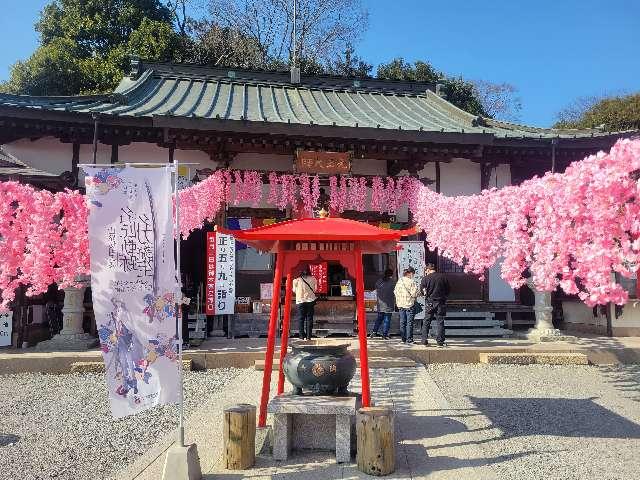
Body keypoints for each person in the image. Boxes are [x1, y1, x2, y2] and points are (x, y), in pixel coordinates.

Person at [420, 263, 450, 347]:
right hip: (441, 302)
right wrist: (444, 296)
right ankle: (440, 341)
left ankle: (424, 340)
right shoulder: (443, 277)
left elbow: (422, 291)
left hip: (430, 302)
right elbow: (448, 289)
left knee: (426, 321)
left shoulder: (425, 278)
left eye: (426, 271)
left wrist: (426, 295)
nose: (426, 272)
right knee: (440, 321)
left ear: (428, 270)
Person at [394, 267, 419, 344]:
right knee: (409, 323)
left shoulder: (399, 281)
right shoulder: (411, 282)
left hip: (401, 305)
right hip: (409, 305)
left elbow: (395, 292)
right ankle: (409, 339)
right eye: (413, 274)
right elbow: (414, 294)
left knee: (402, 322)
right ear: (410, 273)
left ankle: (403, 339)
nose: (413, 275)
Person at [369, 268, 395, 339]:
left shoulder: (379, 281)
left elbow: (375, 287)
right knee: (387, 319)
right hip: (389, 304)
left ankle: (374, 332)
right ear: (391, 275)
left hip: (380, 304)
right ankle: (384, 334)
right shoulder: (392, 282)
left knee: (379, 319)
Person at [292, 267, 317, 340]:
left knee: (301, 319)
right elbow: (315, 289)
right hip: (310, 300)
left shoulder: (296, 280)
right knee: (309, 319)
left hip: (300, 301)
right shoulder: (313, 279)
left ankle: (301, 336)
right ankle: (309, 337)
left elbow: (294, 290)